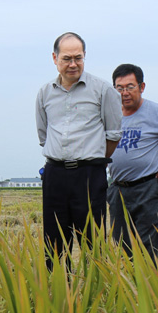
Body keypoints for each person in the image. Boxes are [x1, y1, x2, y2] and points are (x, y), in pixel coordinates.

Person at [36, 32, 122, 269]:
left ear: (85, 57)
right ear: (55, 58)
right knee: (53, 240)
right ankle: (58, 291)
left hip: (89, 175)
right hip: (55, 174)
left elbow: (113, 134)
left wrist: (94, 159)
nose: (73, 64)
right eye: (66, 58)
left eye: (78, 57)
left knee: (92, 240)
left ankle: (95, 292)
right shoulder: (45, 93)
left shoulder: (103, 90)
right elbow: (44, 135)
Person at [107, 63, 158, 258]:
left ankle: (153, 285)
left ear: (142, 87)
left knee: (151, 245)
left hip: (147, 187)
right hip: (118, 189)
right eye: (120, 88)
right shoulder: (109, 115)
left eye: (130, 87)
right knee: (121, 245)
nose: (125, 92)